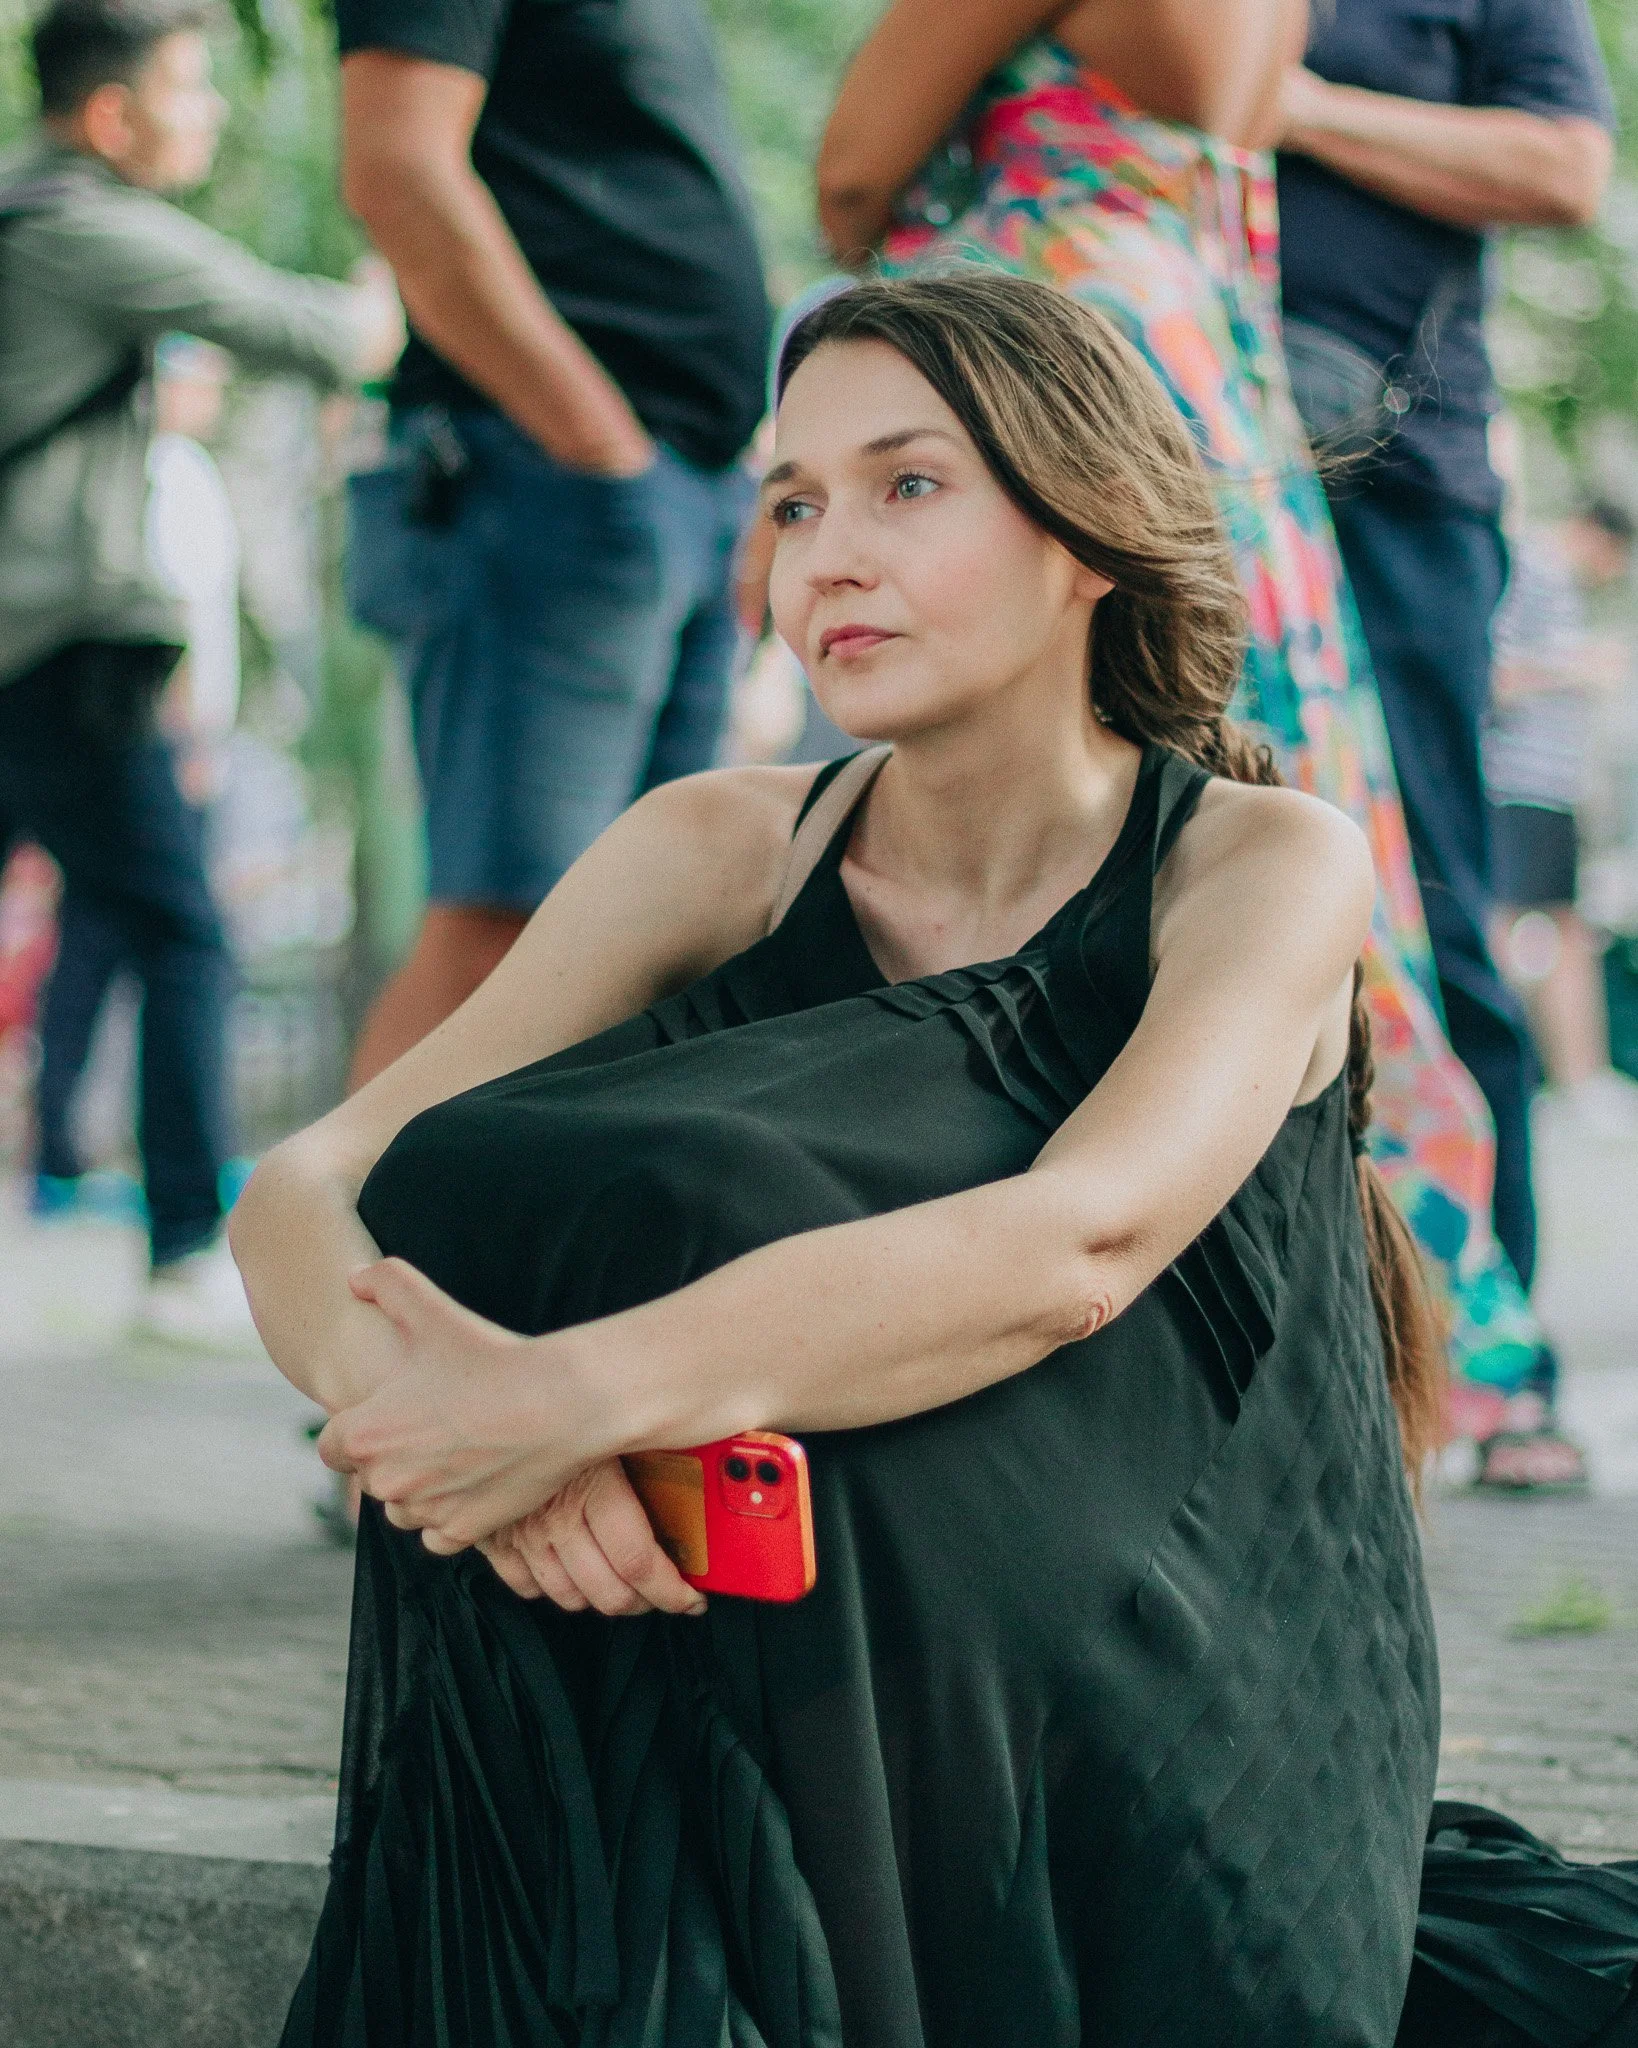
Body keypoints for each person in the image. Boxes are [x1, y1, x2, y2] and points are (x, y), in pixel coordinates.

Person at [233, 274, 1638, 2048]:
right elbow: (310, 1185)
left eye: (907, 486)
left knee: (690, 1214)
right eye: (792, 500)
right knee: (507, 1187)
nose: (825, 555)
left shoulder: (1259, 864)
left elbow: (1079, 1239)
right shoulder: (715, 844)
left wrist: (564, 1394)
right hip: (778, 1626)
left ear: (1084, 534)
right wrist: (453, 1435)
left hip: (1170, 1691)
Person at [814, 3, 1542, 1411]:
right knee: (1271, 802)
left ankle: (1038, 1322)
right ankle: (1365, 1332)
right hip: (1197, 342)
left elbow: (851, 175)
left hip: (1057, 340)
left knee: (1049, 817)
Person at [0, 0, 401, 1344]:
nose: (212, 115)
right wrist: (415, 214)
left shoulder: (23, 218)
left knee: (140, 928)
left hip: (32, 650)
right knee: (182, 930)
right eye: (192, 87)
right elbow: (328, 335)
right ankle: (182, 1254)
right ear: (114, 113)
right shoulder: (85, 228)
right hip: (49, 648)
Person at [1275, 0, 1614, 1462]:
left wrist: (1282, 105)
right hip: (1162, 469)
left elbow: (1563, 167)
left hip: (1397, 479)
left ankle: (1494, 1356)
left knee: (1424, 906)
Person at [334, 0, 770, 1087]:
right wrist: (595, 444)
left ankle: (532, 1260)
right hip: (556, 479)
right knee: (506, 927)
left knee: (656, 939)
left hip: (682, 481)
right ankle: (319, 1256)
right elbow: (397, 169)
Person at [1489, 501, 1638, 1140]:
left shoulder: (1558, 585)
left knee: (1569, 931)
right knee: (1503, 927)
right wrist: (1581, 667)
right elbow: (1492, 678)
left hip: (1552, 789)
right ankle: (1506, 1072)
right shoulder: (1530, 570)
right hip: (1512, 783)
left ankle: (1579, 1079)